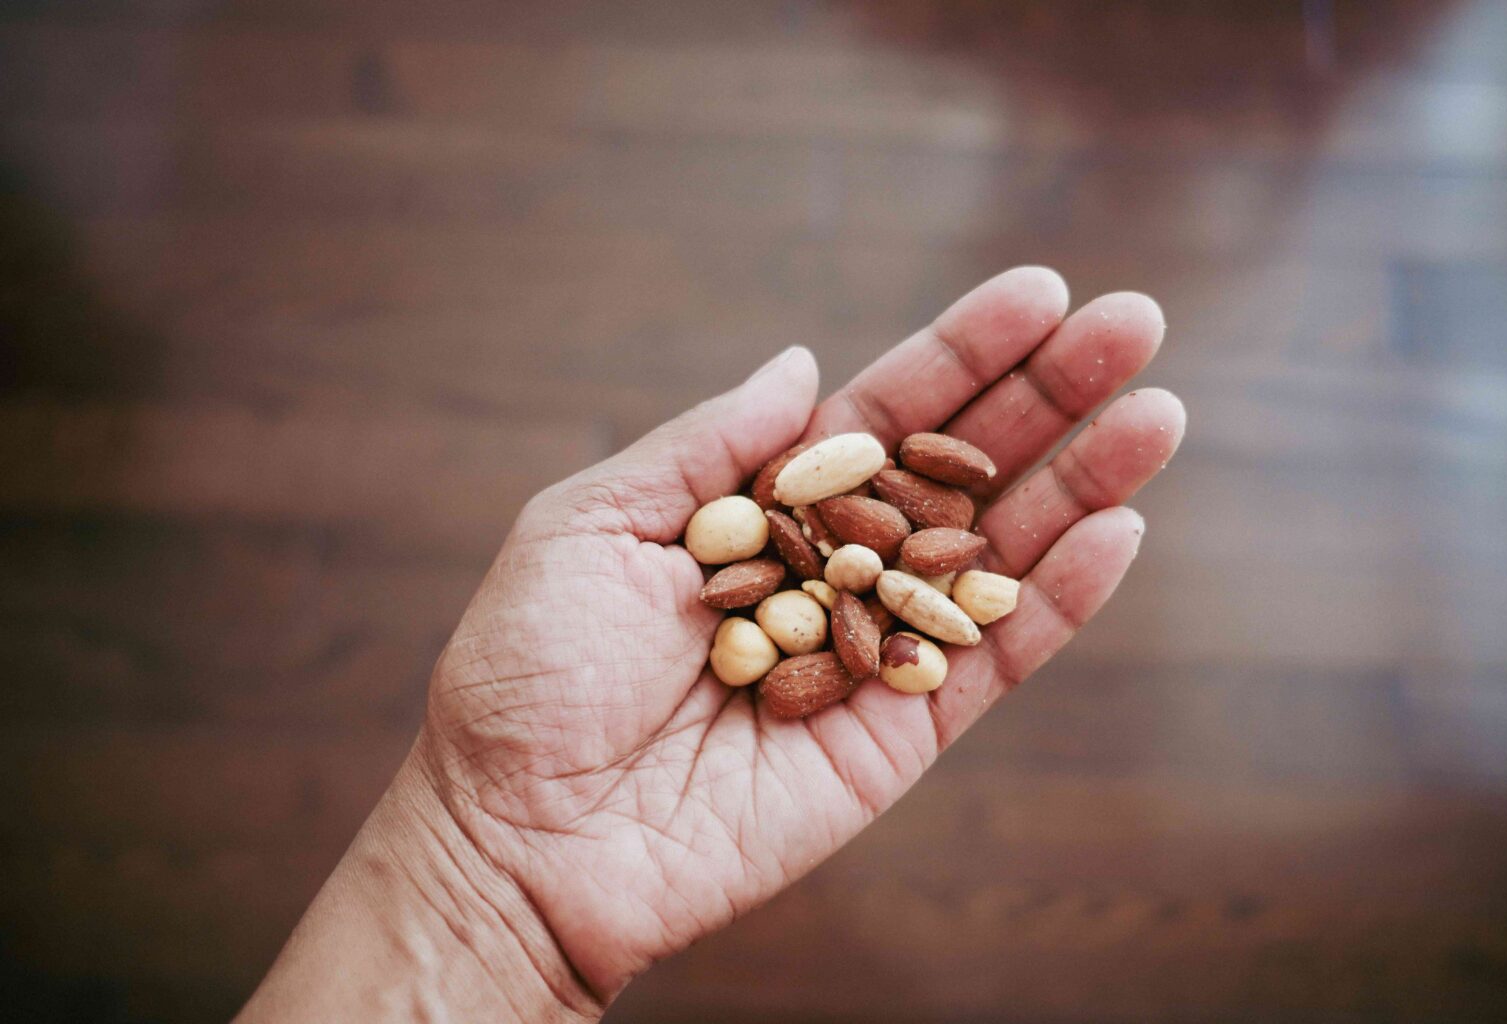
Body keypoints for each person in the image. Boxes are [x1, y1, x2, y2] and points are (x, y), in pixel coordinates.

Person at [235, 267, 1184, 1022]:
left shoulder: (848, 564)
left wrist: (489, 884)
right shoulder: (800, 570)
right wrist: (494, 873)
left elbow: (864, 594)